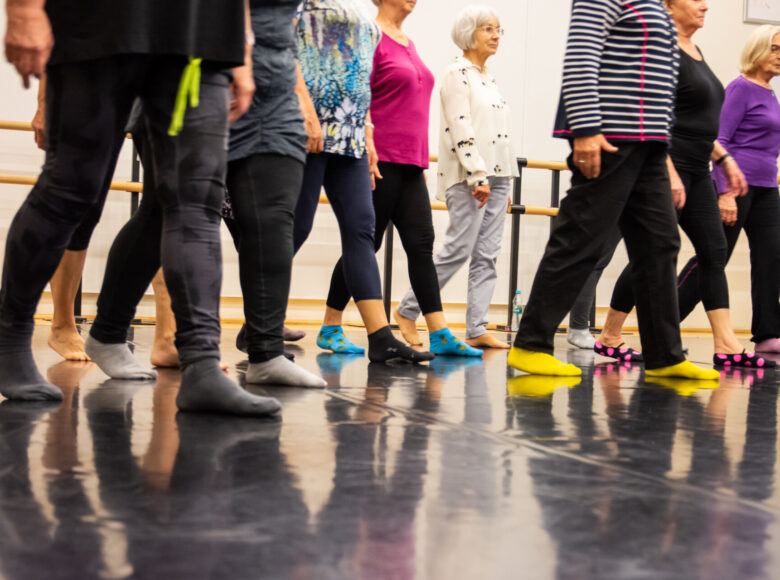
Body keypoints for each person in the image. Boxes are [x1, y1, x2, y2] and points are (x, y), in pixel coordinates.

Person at [1, 0, 282, 415]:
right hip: (98, 26)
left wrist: (241, 45)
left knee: (198, 200)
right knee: (70, 187)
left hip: (201, 34)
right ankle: (8, 341)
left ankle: (202, 365)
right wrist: (24, 8)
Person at [508, 0, 719, 380]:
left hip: (651, 142)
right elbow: (581, 55)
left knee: (659, 243)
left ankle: (664, 356)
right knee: (581, 237)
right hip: (613, 136)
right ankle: (530, 344)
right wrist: (586, 128)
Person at [593, 1, 774, 370]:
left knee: (714, 252)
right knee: (652, 253)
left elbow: (700, 124)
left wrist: (724, 159)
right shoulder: (663, 51)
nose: (705, 5)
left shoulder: (696, 50)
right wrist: (668, 170)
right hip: (665, 166)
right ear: (670, 6)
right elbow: (657, 119)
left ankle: (725, 344)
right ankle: (610, 334)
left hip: (697, 170)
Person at [320, 0, 482, 358]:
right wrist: (367, 143)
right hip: (381, 158)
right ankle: (331, 327)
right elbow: (356, 93)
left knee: (422, 243)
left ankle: (439, 333)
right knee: (366, 243)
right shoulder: (370, 35)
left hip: (411, 162)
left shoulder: (409, 42)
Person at [292, 0, 434, 364]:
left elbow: (360, 76)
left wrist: (368, 132)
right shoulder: (301, 5)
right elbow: (282, 48)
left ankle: (380, 336)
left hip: (351, 136)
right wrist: (302, 104)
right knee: (297, 227)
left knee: (362, 230)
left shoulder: (355, 15)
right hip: (310, 129)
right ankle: (259, 321)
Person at [394, 4, 519, 350]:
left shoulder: (488, 78)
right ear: (469, 34)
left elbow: (498, 132)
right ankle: (408, 309)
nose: (495, 36)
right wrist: (477, 173)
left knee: (488, 254)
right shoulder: (457, 74)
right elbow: (460, 125)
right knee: (457, 249)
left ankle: (477, 326)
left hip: (498, 176)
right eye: (488, 29)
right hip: (469, 176)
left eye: (498, 30)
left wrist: (502, 178)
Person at [221, 0, 327, 387]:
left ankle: (265, 352)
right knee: (169, 216)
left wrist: (298, 93)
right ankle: (110, 329)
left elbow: (284, 24)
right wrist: (242, 61)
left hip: (276, 91)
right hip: (215, 72)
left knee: (276, 217)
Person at [676, 24, 780, 355]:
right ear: (758, 49)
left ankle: (768, 333)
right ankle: (664, 325)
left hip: (766, 187)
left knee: (771, 259)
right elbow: (717, 140)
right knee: (712, 259)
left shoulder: (769, 92)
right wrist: (724, 192)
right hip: (735, 187)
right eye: (775, 48)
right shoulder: (739, 88)